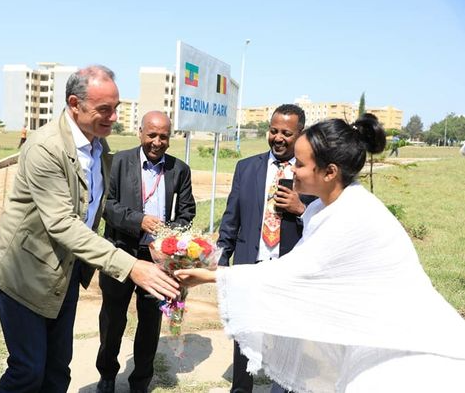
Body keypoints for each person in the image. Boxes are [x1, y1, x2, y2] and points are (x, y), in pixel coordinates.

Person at [175, 114, 465, 392]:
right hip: (375, 338)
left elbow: (291, 273)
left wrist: (212, 276)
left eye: (299, 164)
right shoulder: (323, 207)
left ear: (329, 172)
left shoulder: (352, 214)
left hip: (408, 351)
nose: (290, 170)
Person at [0, 65, 179, 393]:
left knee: (57, 372)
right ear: (75, 104)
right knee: (27, 371)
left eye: (116, 108)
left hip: (66, 275)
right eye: (104, 109)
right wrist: (130, 265)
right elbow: (63, 223)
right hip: (25, 275)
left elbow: (95, 205)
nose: (113, 117)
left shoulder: (98, 148)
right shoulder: (46, 146)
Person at [217, 104, 315, 393]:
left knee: (287, 337)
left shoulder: (311, 172)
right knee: (244, 333)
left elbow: (326, 222)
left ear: (300, 134)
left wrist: (300, 209)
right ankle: (241, 388)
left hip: (290, 270)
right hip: (250, 264)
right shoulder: (246, 168)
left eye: (287, 133)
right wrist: (222, 257)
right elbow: (231, 218)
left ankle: (281, 388)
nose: (279, 138)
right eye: (274, 131)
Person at [96, 111, 196, 393]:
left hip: (159, 259)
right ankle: (106, 374)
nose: (157, 142)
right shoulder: (118, 162)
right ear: (140, 133)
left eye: (163, 136)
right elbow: (106, 206)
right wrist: (137, 220)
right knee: (112, 320)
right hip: (120, 253)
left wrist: (167, 237)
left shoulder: (179, 169)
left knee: (150, 324)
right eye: (151, 135)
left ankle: (141, 380)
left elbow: (187, 212)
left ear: (170, 137)